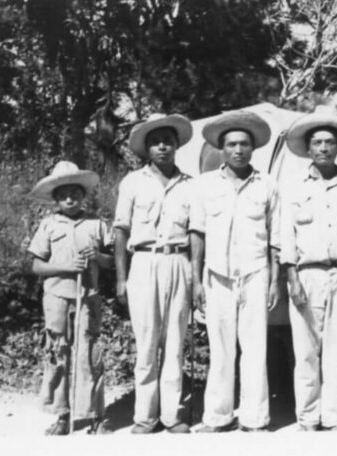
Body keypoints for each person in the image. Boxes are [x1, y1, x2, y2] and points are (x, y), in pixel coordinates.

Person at [280, 109, 337, 431]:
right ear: (308, 149)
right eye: (317, 142)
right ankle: (307, 418)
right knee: (305, 353)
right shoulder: (293, 186)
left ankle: (335, 418)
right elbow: (285, 238)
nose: (323, 148)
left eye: (330, 142)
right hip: (307, 276)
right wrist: (291, 279)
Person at [190, 110, 280, 432]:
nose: (238, 150)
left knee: (255, 349)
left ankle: (254, 419)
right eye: (231, 145)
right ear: (222, 149)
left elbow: (275, 237)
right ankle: (218, 416)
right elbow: (197, 234)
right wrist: (196, 280)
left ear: (253, 148)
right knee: (221, 349)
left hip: (256, 274)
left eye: (244, 144)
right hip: (216, 277)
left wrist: (274, 281)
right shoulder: (204, 185)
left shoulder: (267, 185)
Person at [113, 113, 194, 434]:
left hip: (179, 262)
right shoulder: (132, 182)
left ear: (176, 146)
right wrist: (120, 277)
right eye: (155, 142)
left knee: (174, 341)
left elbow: (198, 233)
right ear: (146, 148)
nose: (162, 147)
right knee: (146, 342)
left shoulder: (190, 185)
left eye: (168, 141)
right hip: (143, 264)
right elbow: (121, 231)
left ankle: (173, 416)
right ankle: (145, 416)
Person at [28, 161, 113, 435]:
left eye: (75, 193)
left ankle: (95, 415)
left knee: (90, 354)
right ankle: (62, 414)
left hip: (87, 296)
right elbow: (37, 266)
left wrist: (96, 256)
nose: (70, 199)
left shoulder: (97, 224)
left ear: (83, 194)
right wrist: (66, 267)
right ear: (55, 198)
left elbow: (111, 261)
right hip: (56, 298)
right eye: (63, 194)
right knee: (58, 353)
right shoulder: (49, 225)